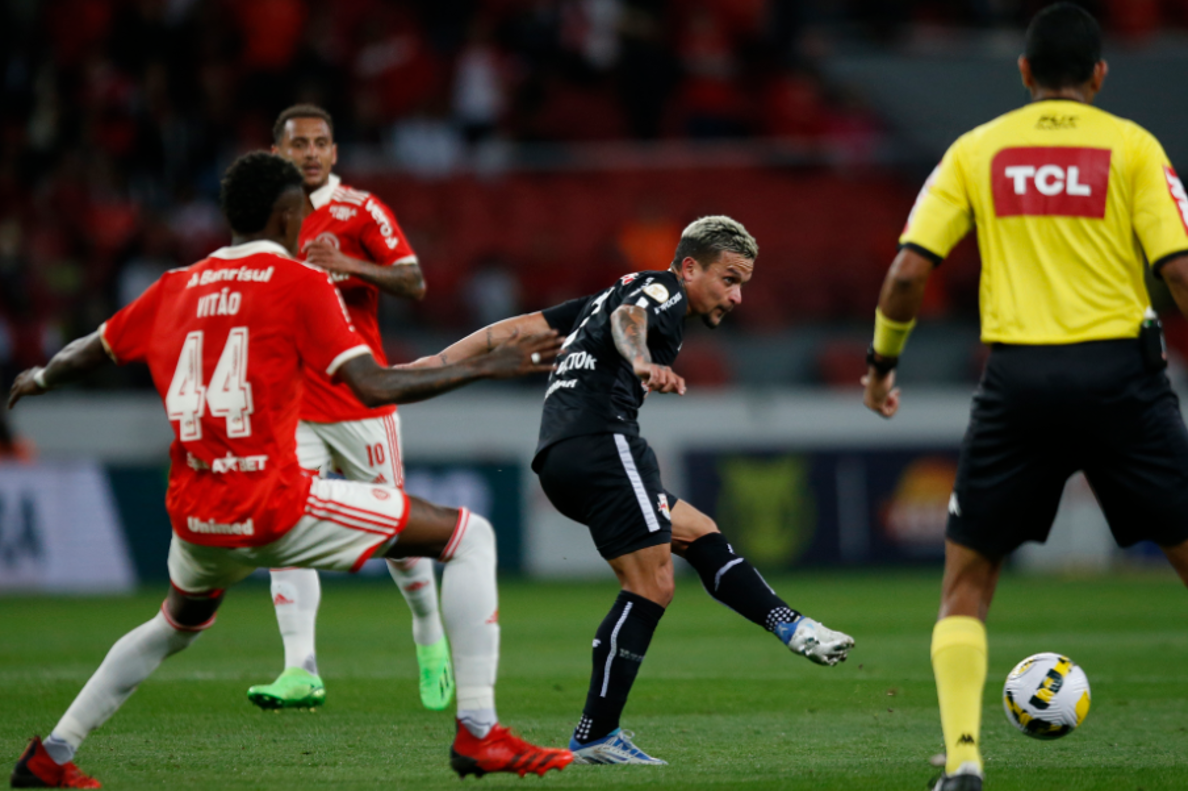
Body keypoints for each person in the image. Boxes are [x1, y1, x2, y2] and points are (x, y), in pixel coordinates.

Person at [7, 152, 572, 788]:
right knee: (469, 536)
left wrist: (40, 376)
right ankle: (478, 733)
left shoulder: (174, 286)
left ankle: (52, 754)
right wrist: (481, 367)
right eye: (301, 210)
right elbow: (373, 385)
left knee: (174, 624)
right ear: (285, 215)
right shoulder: (297, 282)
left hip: (195, 515)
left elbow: (94, 348)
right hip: (270, 505)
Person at [861, 4, 1188, 791]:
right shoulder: (1132, 147)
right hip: (1123, 380)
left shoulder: (977, 150)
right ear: (1100, 75)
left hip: (1019, 383)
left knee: (966, 584)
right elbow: (1186, 273)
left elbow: (909, 272)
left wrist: (882, 365)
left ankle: (963, 760)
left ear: (1023, 73)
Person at [412, 215, 854, 765]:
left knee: (698, 532)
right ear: (689, 268)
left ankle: (794, 627)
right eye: (729, 279)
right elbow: (630, 320)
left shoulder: (609, 295)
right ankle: (596, 734)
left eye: (742, 284)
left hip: (563, 455)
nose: (737, 296)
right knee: (652, 585)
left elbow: (520, 328)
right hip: (603, 443)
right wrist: (642, 361)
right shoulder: (659, 291)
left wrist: (433, 365)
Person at [245, 103, 453, 712]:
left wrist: (348, 265)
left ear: (334, 152)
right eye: (299, 144)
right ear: (278, 153)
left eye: (320, 143)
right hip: (292, 405)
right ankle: (300, 669)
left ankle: (429, 633)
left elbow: (414, 281)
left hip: (361, 401)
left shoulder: (360, 210)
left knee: (399, 535)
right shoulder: (260, 221)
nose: (311, 153)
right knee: (283, 528)